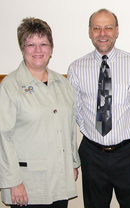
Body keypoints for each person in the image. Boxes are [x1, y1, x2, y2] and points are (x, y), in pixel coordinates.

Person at [67, 9, 130, 208]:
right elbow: (75, 111)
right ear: (89, 32)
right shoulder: (76, 68)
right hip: (92, 153)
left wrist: (125, 132)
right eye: (97, 28)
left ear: (117, 31)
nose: (103, 33)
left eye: (108, 28)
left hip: (127, 153)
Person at [0, 17, 80, 208]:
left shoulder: (63, 84)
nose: (38, 50)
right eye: (31, 44)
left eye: (43, 44)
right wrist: (13, 182)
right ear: (22, 49)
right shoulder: (10, 86)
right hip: (27, 187)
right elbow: (3, 138)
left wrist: (73, 163)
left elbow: (69, 128)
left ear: (51, 49)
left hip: (60, 178)